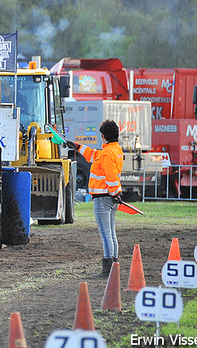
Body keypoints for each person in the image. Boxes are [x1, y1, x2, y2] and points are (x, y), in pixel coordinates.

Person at [66, 119, 124, 278]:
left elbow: (110, 176)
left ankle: (108, 269)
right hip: (111, 198)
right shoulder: (115, 150)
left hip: (103, 198)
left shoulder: (107, 153)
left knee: (106, 234)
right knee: (111, 233)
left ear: (103, 136)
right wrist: (76, 147)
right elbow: (93, 155)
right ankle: (114, 267)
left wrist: (113, 192)